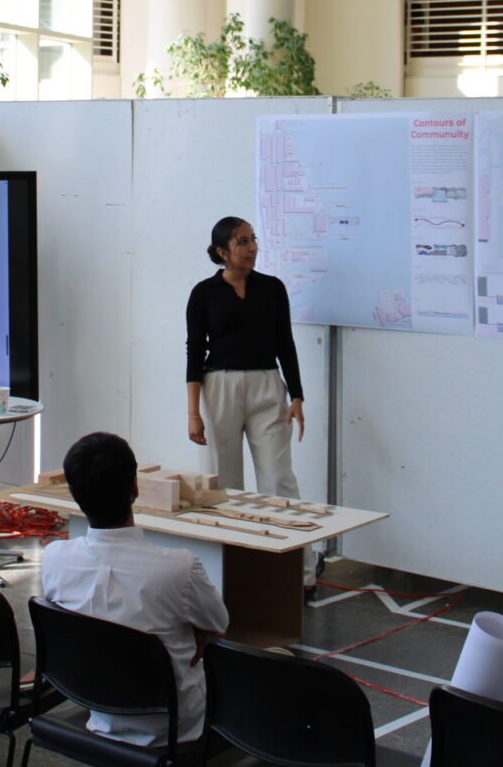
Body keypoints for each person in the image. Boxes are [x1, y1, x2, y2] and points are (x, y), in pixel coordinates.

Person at [41, 432, 228, 747]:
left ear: (74, 495)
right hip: (179, 726)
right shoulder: (180, 568)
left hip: (97, 708)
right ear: (135, 487)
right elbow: (219, 625)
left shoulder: (54, 559)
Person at [185, 216, 306, 506]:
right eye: (242, 241)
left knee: (279, 478)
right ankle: (229, 550)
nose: (252, 247)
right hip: (219, 386)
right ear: (222, 252)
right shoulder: (203, 293)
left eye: (253, 239)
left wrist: (297, 396)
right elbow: (194, 351)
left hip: (267, 383)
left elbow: (285, 344)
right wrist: (193, 413)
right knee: (221, 480)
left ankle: (288, 549)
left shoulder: (272, 288)